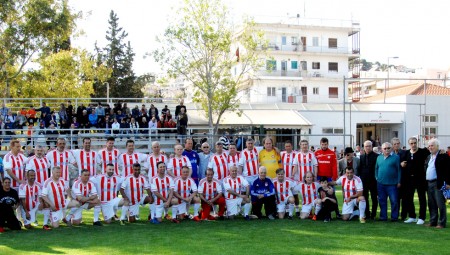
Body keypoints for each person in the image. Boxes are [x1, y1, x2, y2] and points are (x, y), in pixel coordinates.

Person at [401, 137, 430, 225]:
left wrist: (442, 152)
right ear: (409, 144)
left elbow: (433, 154)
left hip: (420, 179)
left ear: (417, 143)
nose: (413, 145)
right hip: (409, 179)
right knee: (409, 198)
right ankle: (412, 216)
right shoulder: (406, 153)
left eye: (414, 143)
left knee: (422, 198)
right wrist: (402, 164)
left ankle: (422, 217)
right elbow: (402, 162)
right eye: (411, 143)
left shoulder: (423, 152)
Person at [424, 138, 450, 228]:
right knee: (431, 204)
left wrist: (448, 183)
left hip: (438, 183)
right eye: (429, 146)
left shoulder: (443, 156)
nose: (430, 147)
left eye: (432, 145)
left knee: (440, 204)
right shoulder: (428, 156)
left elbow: (448, 170)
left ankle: (442, 223)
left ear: (437, 146)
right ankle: (433, 221)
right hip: (429, 183)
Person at [375, 142, 401, 222]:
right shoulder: (379, 157)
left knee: (394, 201)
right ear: (382, 149)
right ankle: (383, 217)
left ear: (391, 148)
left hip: (392, 184)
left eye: (388, 148)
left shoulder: (396, 157)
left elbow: (399, 170)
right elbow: (376, 168)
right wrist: (376, 177)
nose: (386, 150)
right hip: (381, 184)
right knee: (382, 201)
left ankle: (394, 217)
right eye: (385, 148)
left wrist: (399, 181)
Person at [292, 139, 318, 216]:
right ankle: (301, 209)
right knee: (301, 195)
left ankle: (314, 210)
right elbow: (295, 166)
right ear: (300, 145)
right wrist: (293, 175)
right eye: (302, 144)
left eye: (305, 144)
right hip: (301, 180)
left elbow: (315, 166)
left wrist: (315, 175)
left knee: (312, 194)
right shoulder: (297, 155)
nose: (304, 146)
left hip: (310, 179)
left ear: (308, 145)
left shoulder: (311, 154)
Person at [356, 140, 378, 220]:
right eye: (366, 146)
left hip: (373, 181)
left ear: (372, 147)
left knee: (374, 198)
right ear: (364, 147)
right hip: (364, 181)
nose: (368, 147)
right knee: (365, 198)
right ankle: (367, 214)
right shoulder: (361, 157)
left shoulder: (377, 156)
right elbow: (359, 169)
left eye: (369, 146)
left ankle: (373, 214)